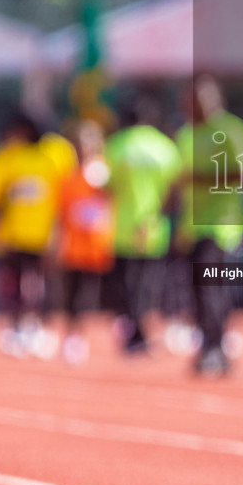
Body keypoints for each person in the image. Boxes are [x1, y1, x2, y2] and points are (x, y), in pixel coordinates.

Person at [175, 75, 243, 377]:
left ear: (215, 98)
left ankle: (216, 348)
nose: (194, 104)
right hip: (192, 226)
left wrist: (203, 178)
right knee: (197, 293)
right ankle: (209, 347)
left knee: (212, 290)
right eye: (190, 99)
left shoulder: (231, 130)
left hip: (224, 225)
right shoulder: (186, 134)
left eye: (200, 98)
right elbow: (179, 180)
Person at [0, 112, 73, 359]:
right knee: (14, 283)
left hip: (42, 235)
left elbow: (65, 193)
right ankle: (17, 327)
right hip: (12, 235)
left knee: (39, 283)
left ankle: (36, 327)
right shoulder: (5, 158)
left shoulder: (53, 154)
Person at [104, 96, 180, 355]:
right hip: (154, 227)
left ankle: (132, 331)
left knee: (126, 284)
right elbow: (175, 188)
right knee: (149, 283)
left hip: (122, 228)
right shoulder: (164, 147)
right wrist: (160, 215)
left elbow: (107, 186)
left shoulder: (115, 146)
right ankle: (141, 330)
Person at [53, 119, 115, 364]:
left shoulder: (103, 174)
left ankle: (91, 333)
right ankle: (72, 335)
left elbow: (110, 204)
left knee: (91, 294)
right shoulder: (67, 176)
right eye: (78, 144)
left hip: (97, 247)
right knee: (71, 294)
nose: (82, 149)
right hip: (73, 247)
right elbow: (61, 211)